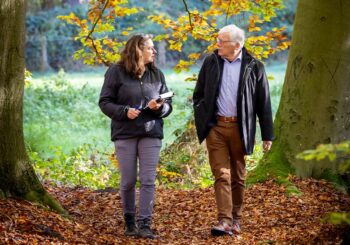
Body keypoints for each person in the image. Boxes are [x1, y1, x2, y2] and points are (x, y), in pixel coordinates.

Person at [193, 24, 274, 236]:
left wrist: (267, 135)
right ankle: (224, 220)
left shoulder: (255, 66)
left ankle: (236, 219)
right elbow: (198, 94)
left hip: (241, 128)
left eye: (222, 41)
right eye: (217, 40)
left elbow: (264, 103)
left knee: (237, 176)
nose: (217, 44)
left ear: (237, 45)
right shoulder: (211, 62)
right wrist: (204, 119)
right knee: (221, 174)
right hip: (216, 128)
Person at [99, 34, 172, 239]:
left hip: (151, 133)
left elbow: (168, 106)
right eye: (150, 48)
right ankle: (129, 222)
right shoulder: (116, 72)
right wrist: (124, 111)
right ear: (137, 50)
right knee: (128, 180)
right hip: (125, 134)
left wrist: (160, 108)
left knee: (148, 180)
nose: (154, 51)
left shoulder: (157, 74)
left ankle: (145, 224)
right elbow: (105, 102)